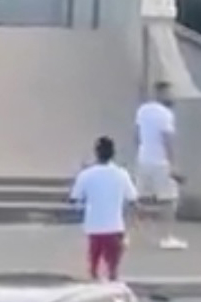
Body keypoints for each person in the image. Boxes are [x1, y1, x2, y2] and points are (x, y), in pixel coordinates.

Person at [69, 137, 138, 281]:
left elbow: (74, 198)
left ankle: (94, 281)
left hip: (94, 227)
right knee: (112, 269)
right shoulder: (121, 174)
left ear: (96, 153)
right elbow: (132, 198)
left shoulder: (86, 174)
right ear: (113, 153)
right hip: (115, 226)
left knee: (94, 267)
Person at [135, 81, 187, 250]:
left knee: (140, 199)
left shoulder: (142, 111)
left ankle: (128, 235)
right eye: (169, 93)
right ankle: (167, 236)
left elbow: (136, 135)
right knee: (169, 201)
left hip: (143, 159)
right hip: (161, 162)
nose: (171, 96)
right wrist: (174, 166)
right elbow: (167, 141)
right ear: (163, 94)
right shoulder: (166, 115)